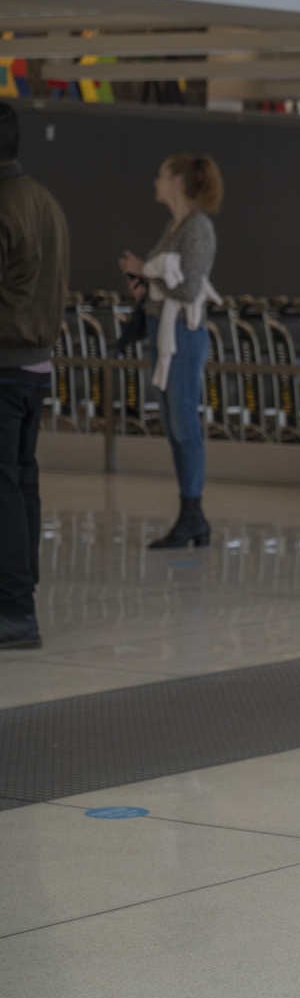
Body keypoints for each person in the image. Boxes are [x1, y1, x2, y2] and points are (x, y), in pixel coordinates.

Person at [117, 154, 224, 550]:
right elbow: (165, 284)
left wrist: (147, 270)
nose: (156, 182)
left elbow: (189, 287)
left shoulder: (198, 228)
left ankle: (193, 514)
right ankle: (191, 516)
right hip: (162, 332)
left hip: (183, 336)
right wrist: (144, 284)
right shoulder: (172, 227)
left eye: (162, 176)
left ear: (178, 182)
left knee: (185, 427)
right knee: (173, 428)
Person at [0, 102, 68, 649]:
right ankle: (21, 597)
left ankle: (15, 611)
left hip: (2, 369)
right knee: (21, 483)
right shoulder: (46, 201)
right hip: (36, 367)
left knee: (4, 487)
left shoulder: (2, 204)